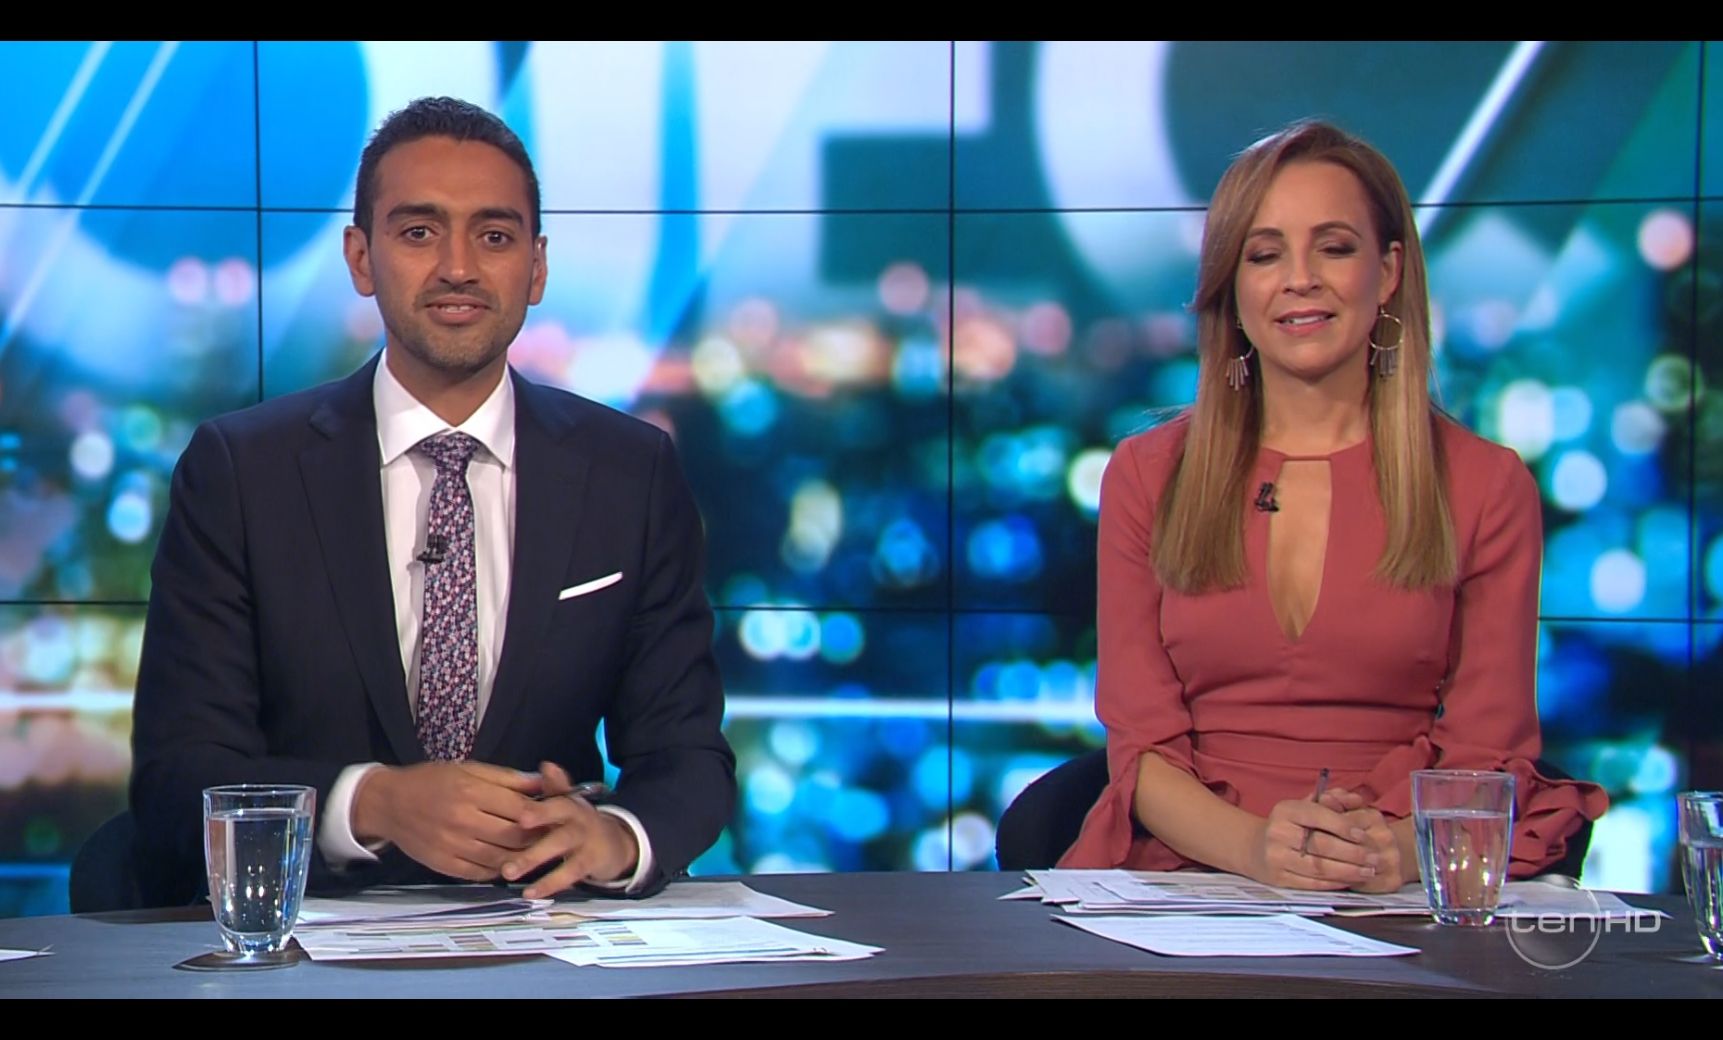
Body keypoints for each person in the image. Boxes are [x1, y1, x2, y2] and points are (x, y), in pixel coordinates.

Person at [130, 97, 735, 906]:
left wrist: (615, 837)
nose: (458, 267)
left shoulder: (629, 471)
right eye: (419, 232)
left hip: (549, 929)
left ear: (537, 267)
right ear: (361, 258)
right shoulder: (242, 471)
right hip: (311, 929)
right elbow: (179, 772)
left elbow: (687, 755)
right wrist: (376, 802)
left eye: (495, 237)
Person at [1060, 119, 1607, 891]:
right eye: (1263, 254)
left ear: (1386, 272)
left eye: (1334, 247)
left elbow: (1486, 752)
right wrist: (1258, 850)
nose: (1299, 279)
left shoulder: (1486, 485)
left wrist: (1390, 852)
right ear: (1231, 286)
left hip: (1401, 871)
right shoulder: (1147, 476)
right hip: (1195, 870)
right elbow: (1140, 748)